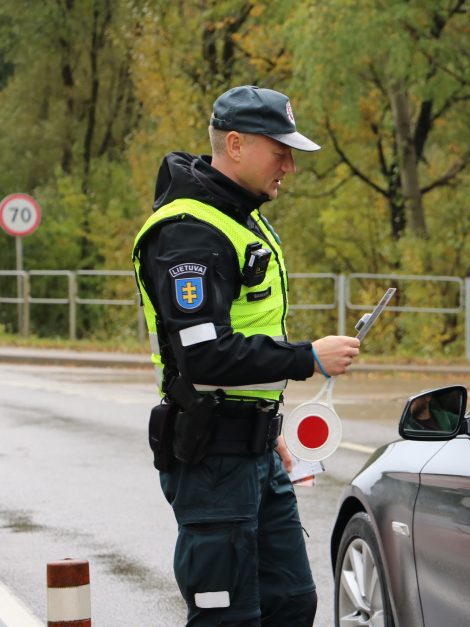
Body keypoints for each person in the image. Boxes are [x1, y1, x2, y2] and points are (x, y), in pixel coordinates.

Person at [132, 85, 360, 626]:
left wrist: (263, 419)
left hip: (253, 448)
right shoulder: (189, 232)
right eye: (279, 151)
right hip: (213, 460)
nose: (289, 166)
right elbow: (205, 356)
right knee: (228, 618)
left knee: (291, 603)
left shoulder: (240, 217)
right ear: (235, 144)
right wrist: (307, 357)